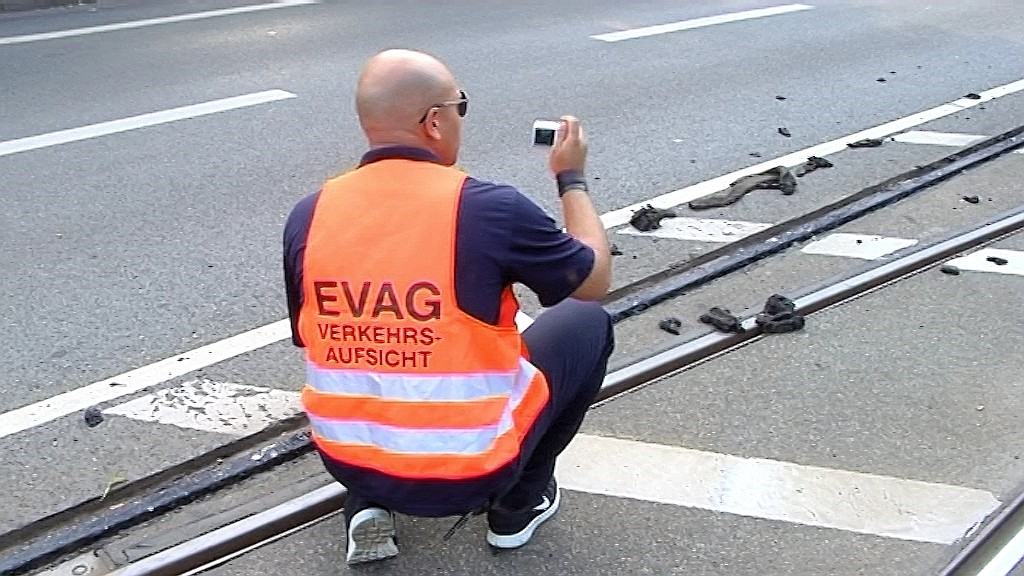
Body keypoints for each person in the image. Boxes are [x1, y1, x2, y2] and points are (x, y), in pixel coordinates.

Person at [282, 48, 614, 565]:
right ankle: (516, 506)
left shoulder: (311, 213)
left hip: (346, 457)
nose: (462, 117)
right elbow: (591, 280)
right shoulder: (488, 207)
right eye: (461, 104)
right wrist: (571, 179)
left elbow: (319, 337)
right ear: (434, 122)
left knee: (370, 345)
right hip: (471, 471)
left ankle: (368, 502)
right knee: (586, 323)